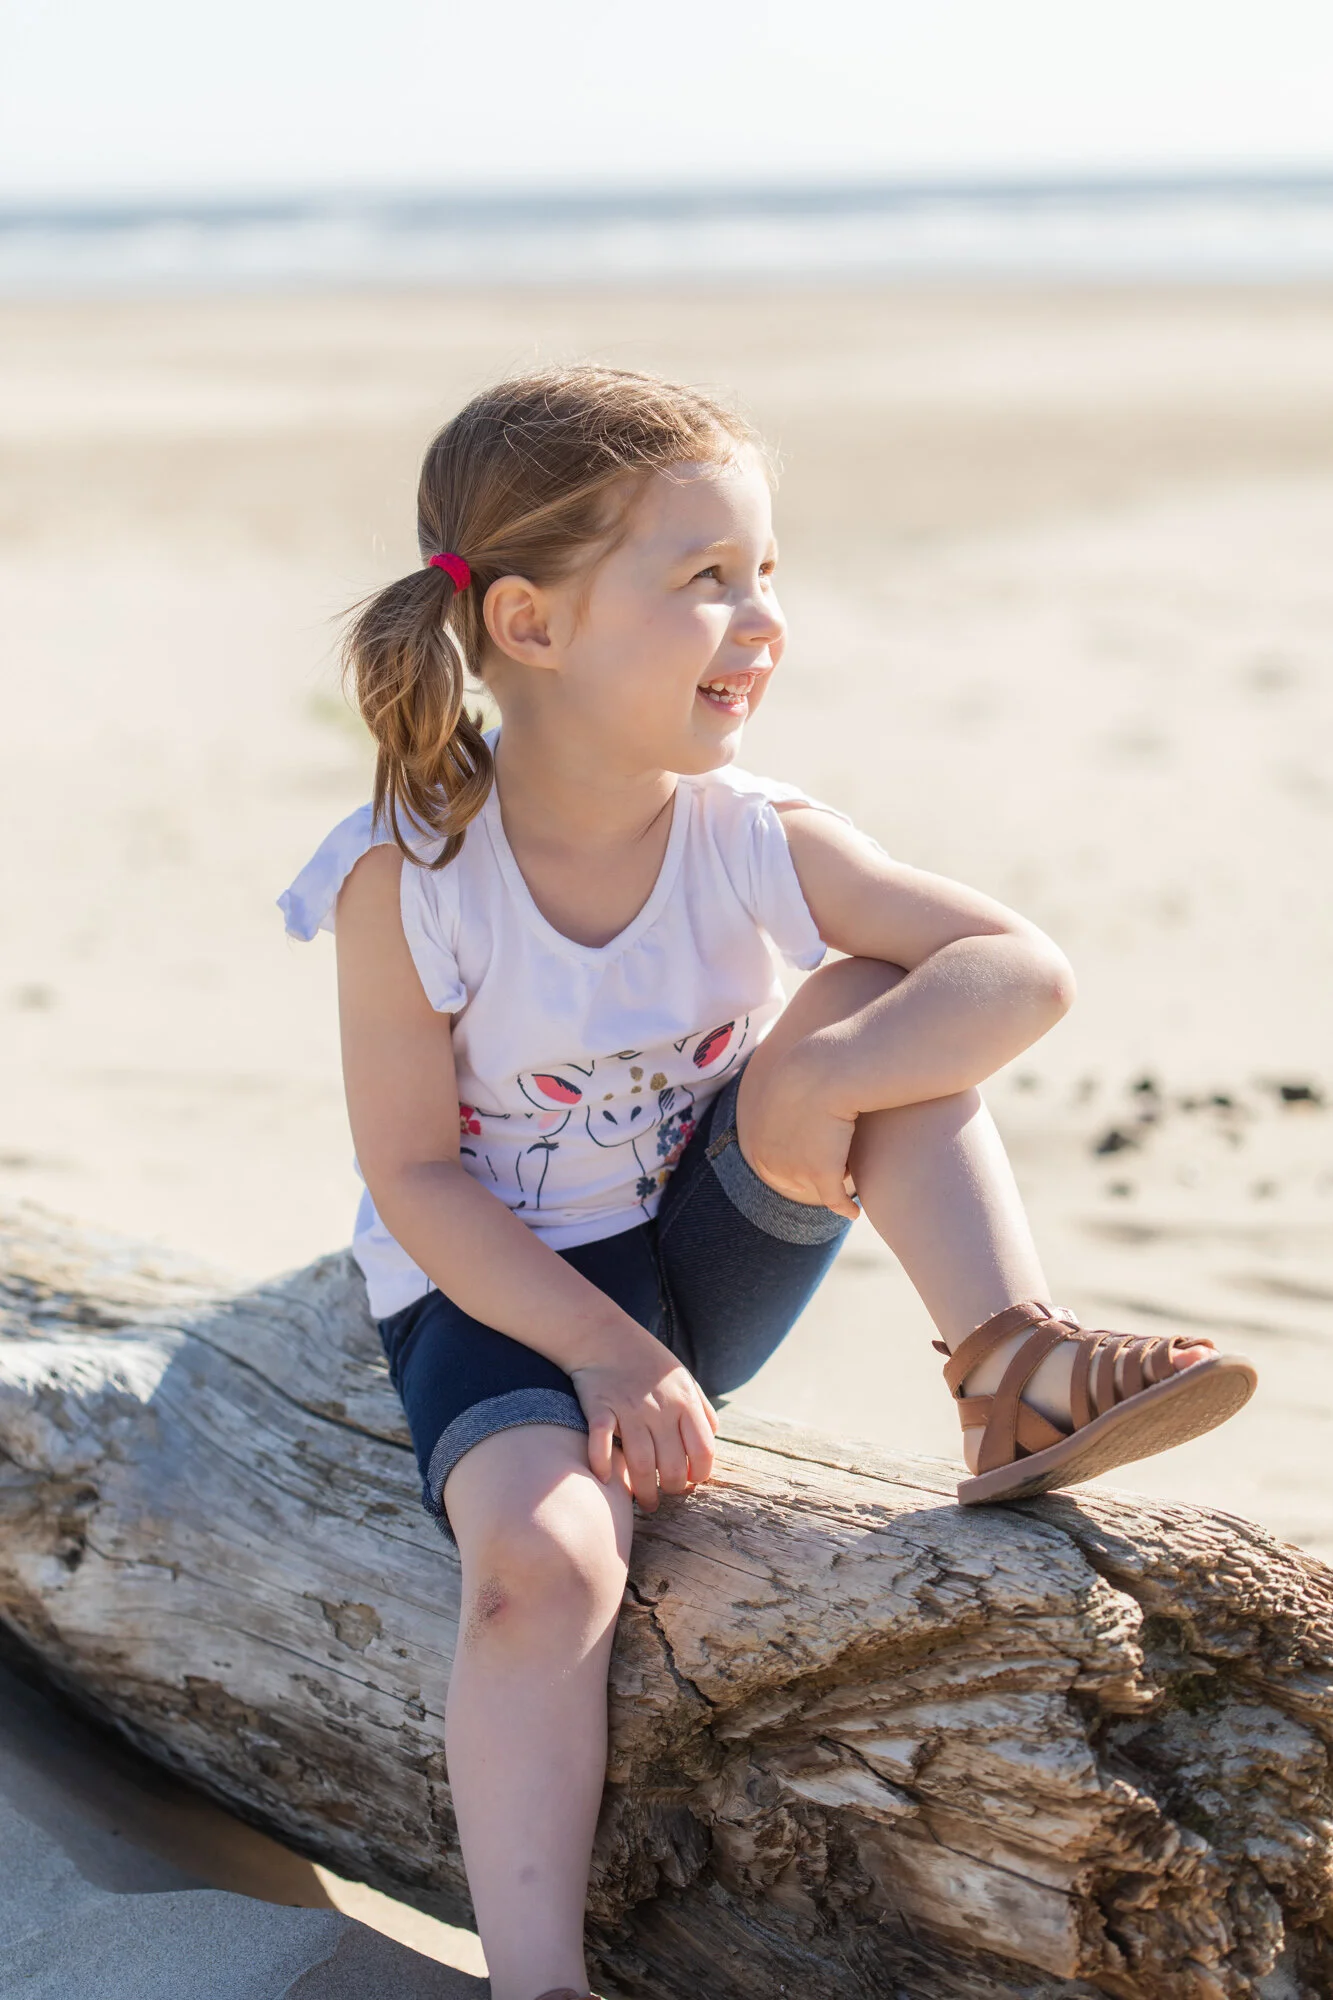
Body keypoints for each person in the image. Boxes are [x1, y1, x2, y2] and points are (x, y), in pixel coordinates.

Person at [279, 366, 1256, 2000]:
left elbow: (1022, 971)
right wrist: (597, 1348)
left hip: (712, 1248)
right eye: (704, 581)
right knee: (549, 1566)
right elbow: (416, 1176)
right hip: (502, 1300)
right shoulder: (415, 870)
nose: (762, 617)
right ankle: (538, 1978)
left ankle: (1010, 1361)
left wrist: (809, 1081)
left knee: (880, 1006)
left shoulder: (753, 835)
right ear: (528, 624)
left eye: (769, 573)